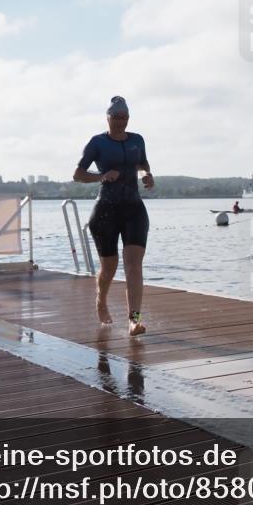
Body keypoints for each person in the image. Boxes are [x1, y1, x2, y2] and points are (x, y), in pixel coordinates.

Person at [73, 96, 154, 336]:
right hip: (106, 211)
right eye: (116, 117)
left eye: (124, 118)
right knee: (109, 267)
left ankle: (134, 320)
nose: (121, 122)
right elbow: (77, 174)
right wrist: (101, 176)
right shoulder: (97, 143)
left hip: (134, 209)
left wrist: (148, 177)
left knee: (134, 266)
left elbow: (144, 165)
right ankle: (101, 300)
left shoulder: (137, 140)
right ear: (108, 118)